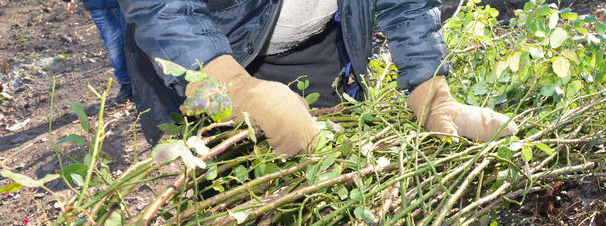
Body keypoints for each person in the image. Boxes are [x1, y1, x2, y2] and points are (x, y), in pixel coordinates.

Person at [118, 0, 517, 155]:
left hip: (319, 44)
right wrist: (230, 85)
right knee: (225, 182)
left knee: (322, 167)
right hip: (203, 52)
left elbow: (408, 4)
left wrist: (431, 89)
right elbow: (163, 10)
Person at [64, 0, 133, 102]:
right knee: (113, 46)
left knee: (131, 40)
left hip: (124, 3)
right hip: (96, 5)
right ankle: (126, 83)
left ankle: (141, 82)